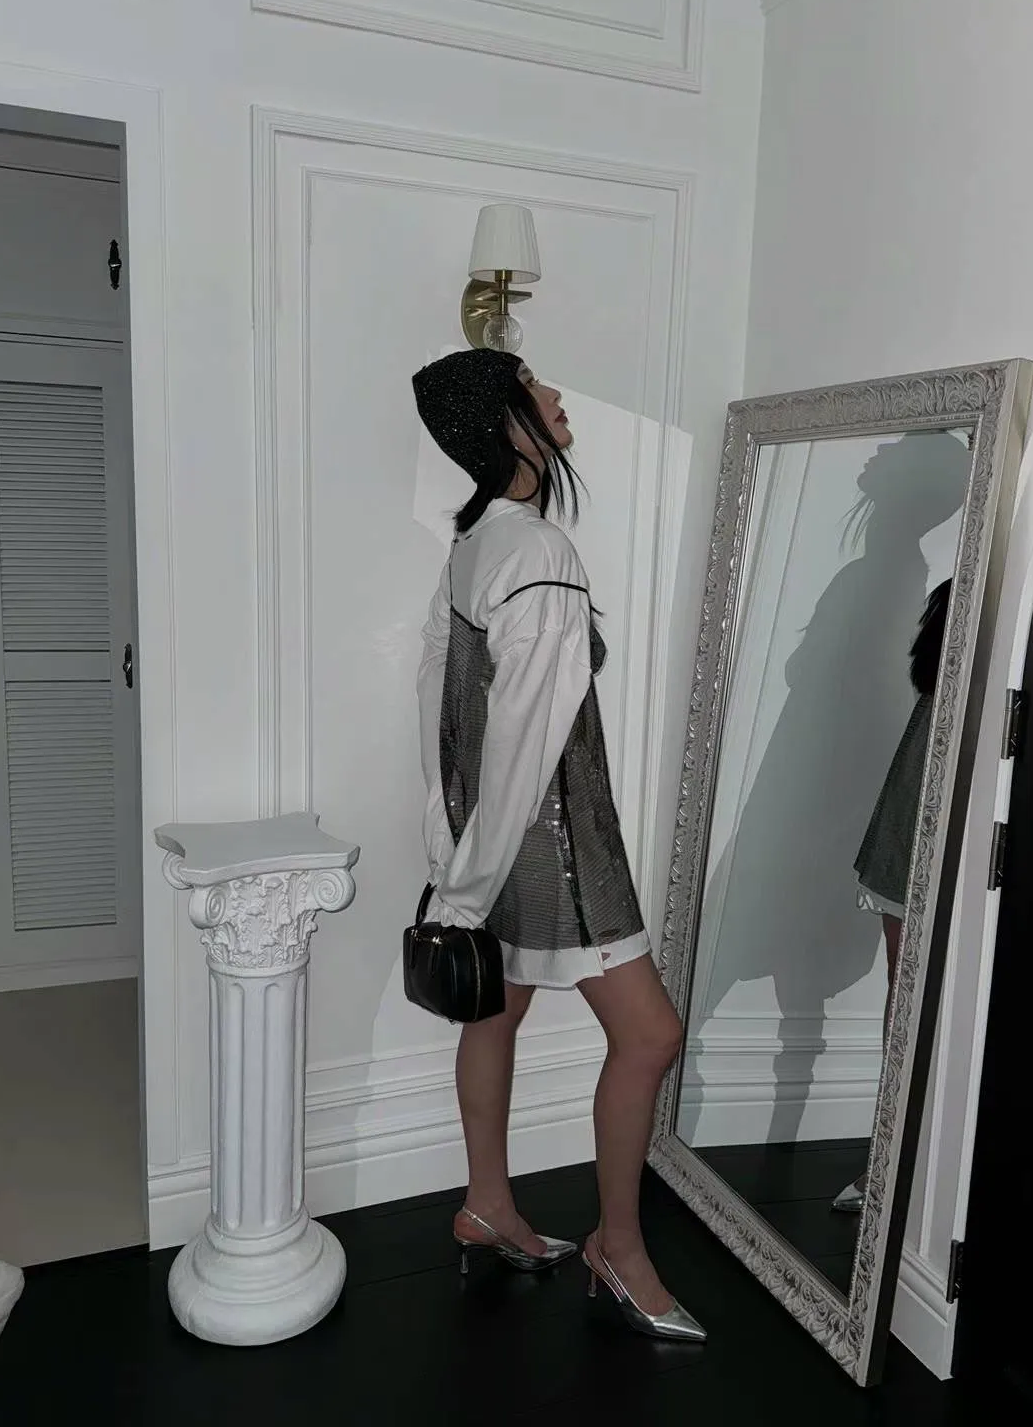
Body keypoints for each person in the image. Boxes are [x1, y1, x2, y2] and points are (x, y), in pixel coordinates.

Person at [412, 348, 705, 1341]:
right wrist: (467, 886)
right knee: (651, 1036)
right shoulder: (537, 552)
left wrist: (452, 849)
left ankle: (487, 1204)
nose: (555, 396)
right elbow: (527, 738)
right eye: (534, 386)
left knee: (494, 1013)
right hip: (551, 846)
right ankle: (617, 1248)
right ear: (506, 423)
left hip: (492, 842)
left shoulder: (476, 546)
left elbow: (438, 707)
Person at [832, 578, 952, 1213]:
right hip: (917, 812)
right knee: (907, 996)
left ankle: (912, 1163)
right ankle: (891, 1158)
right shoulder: (961, 594)